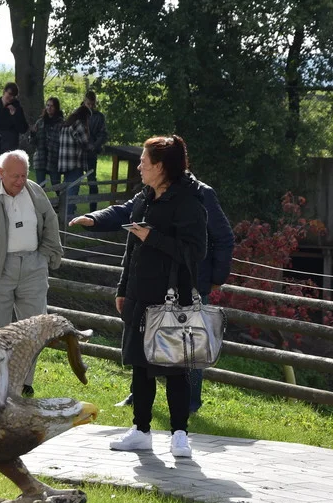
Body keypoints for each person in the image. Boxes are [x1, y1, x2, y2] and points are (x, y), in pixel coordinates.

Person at [70, 172, 234, 413]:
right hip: (153, 281)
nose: (141, 167)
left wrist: (216, 278)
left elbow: (224, 238)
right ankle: (139, 396)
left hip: (189, 283)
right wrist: (94, 218)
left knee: (188, 346)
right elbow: (125, 211)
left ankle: (189, 405)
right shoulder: (150, 191)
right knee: (144, 339)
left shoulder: (200, 193)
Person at [105, 135, 207, 458]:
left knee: (175, 366)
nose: (140, 166)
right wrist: (123, 289)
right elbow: (130, 247)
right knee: (140, 363)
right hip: (139, 293)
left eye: (144, 162)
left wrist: (154, 237)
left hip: (172, 299)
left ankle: (180, 435)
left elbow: (195, 252)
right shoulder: (144, 197)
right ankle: (141, 430)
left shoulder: (189, 202)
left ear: (161, 167)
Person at [0, 150, 64, 397]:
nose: (20, 181)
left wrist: (48, 254)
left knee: (34, 328)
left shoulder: (35, 191)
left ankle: (25, 382)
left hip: (33, 266)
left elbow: (50, 221)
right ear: (1, 173)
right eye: (15, 176)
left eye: (24, 175)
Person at [58, 104, 91, 218]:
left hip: (64, 163)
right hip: (75, 162)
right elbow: (85, 143)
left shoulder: (66, 125)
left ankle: (65, 215)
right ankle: (68, 217)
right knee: (73, 191)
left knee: (67, 190)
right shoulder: (78, 125)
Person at [82, 90, 109, 212]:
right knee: (74, 180)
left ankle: (93, 209)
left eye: (92, 104)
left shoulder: (99, 117)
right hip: (78, 152)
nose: (91, 106)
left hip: (91, 152)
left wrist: (94, 145)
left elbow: (103, 134)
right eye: (88, 104)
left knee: (92, 180)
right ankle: (70, 207)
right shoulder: (78, 114)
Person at [0, 82, 30, 154]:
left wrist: (14, 115)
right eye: (10, 94)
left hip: (11, 148)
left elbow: (23, 129)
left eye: (14, 96)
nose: (12, 98)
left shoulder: (17, 108)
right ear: (4, 92)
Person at [30, 97, 63, 188]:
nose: (49, 108)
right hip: (40, 158)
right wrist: (33, 134)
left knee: (56, 186)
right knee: (40, 187)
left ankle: (59, 202)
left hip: (54, 158)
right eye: (47, 105)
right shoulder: (40, 122)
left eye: (52, 106)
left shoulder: (61, 123)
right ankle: (41, 203)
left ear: (56, 108)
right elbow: (33, 143)